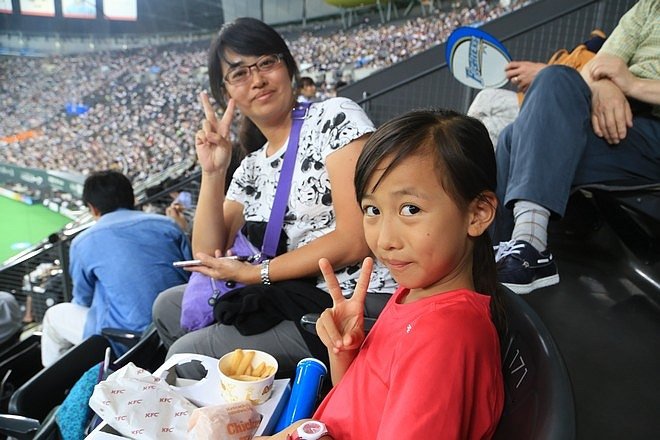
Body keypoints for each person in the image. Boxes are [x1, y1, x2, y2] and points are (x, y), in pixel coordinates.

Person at [152, 17, 396, 375]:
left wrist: (256, 274)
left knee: (188, 354)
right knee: (167, 307)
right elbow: (206, 254)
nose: (257, 80)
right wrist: (213, 171)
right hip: (294, 295)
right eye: (239, 74)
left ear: (288, 67)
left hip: (353, 298)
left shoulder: (334, 116)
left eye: (267, 62)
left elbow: (357, 237)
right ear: (226, 94)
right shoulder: (251, 166)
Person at [256, 109, 505, 439]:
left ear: (477, 213)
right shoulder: (415, 294)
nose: (385, 240)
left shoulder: (445, 337)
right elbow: (361, 408)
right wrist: (345, 353)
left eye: (410, 209)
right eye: (372, 210)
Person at [493, 0, 660, 294]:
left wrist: (631, 84)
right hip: (621, 119)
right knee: (532, 109)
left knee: (520, 137)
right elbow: (594, 69)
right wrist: (603, 87)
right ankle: (502, 258)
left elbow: (615, 73)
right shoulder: (648, 8)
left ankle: (528, 248)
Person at [40, 171, 192, 367]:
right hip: (178, 324)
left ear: (92, 208)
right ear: (132, 198)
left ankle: (54, 388)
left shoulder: (82, 242)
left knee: (54, 316)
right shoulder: (168, 224)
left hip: (129, 341)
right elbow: (191, 273)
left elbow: (82, 299)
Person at [468, 29, 607, 146]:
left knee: (487, 129)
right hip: (541, 102)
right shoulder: (598, 46)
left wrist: (543, 74)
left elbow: (587, 90)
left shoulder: (609, 61)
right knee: (485, 99)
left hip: (557, 117)